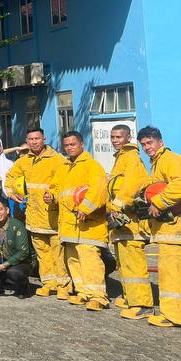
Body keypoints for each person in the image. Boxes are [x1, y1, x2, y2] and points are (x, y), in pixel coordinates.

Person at [139, 126, 181, 328]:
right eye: (143, 145)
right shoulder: (160, 162)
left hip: (175, 227)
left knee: (172, 273)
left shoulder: (170, 160)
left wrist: (158, 202)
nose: (147, 148)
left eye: (150, 143)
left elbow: (179, 186)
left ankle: (173, 316)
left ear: (160, 141)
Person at [2, 127, 67, 297]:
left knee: (58, 252)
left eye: (37, 138)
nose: (34, 142)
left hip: (53, 216)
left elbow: (65, 183)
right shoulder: (24, 161)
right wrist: (11, 192)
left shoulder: (56, 160)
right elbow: (9, 178)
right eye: (30, 139)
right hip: (33, 216)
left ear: (44, 139)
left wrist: (53, 196)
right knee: (42, 253)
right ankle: (49, 283)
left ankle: (63, 286)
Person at [53, 131, 111, 310]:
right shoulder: (64, 167)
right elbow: (57, 188)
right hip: (69, 225)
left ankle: (98, 296)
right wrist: (51, 195)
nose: (69, 148)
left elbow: (99, 190)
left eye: (73, 144)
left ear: (82, 145)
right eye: (67, 145)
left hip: (88, 225)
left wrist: (85, 208)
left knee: (90, 260)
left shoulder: (92, 166)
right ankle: (83, 292)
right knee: (73, 260)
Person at [105, 124, 154, 320]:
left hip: (131, 222)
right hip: (122, 224)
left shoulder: (131, 158)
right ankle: (129, 296)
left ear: (128, 137)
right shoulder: (121, 158)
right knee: (124, 264)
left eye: (119, 137)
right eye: (113, 137)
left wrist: (117, 205)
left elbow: (132, 184)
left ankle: (142, 304)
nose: (115, 140)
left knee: (134, 265)